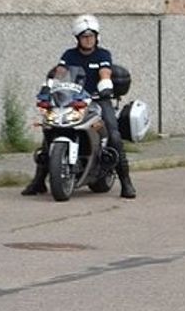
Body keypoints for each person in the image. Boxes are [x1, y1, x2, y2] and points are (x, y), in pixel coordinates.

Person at [21, 14, 136, 199]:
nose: (88, 40)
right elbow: (60, 72)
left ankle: (126, 182)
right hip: (73, 101)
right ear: (78, 38)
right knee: (51, 129)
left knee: (113, 134)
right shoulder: (69, 55)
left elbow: (105, 71)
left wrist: (106, 84)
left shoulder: (102, 54)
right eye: (84, 37)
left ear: (96, 37)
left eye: (91, 36)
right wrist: (49, 87)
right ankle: (39, 181)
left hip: (98, 100)